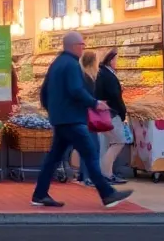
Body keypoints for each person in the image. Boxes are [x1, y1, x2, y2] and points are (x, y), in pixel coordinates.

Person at [30, 32, 132, 209]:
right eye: (82, 45)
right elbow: (76, 90)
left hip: (60, 119)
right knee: (91, 155)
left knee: (53, 158)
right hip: (72, 119)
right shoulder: (71, 65)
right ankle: (107, 194)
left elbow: (44, 91)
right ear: (75, 46)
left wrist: (52, 110)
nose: (84, 48)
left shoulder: (56, 64)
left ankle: (39, 194)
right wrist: (95, 103)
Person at [95, 48, 129, 184]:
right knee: (119, 141)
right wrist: (122, 112)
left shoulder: (101, 73)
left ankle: (104, 173)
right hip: (111, 113)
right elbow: (114, 96)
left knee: (105, 143)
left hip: (102, 113)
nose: (117, 62)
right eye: (116, 59)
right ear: (110, 60)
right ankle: (106, 174)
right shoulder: (108, 75)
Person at [74, 49, 100, 186]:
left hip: (82, 116)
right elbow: (87, 97)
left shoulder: (82, 76)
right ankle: (89, 177)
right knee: (93, 147)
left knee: (85, 147)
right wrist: (96, 103)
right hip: (88, 116)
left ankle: (83, 175)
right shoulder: (89, 78)